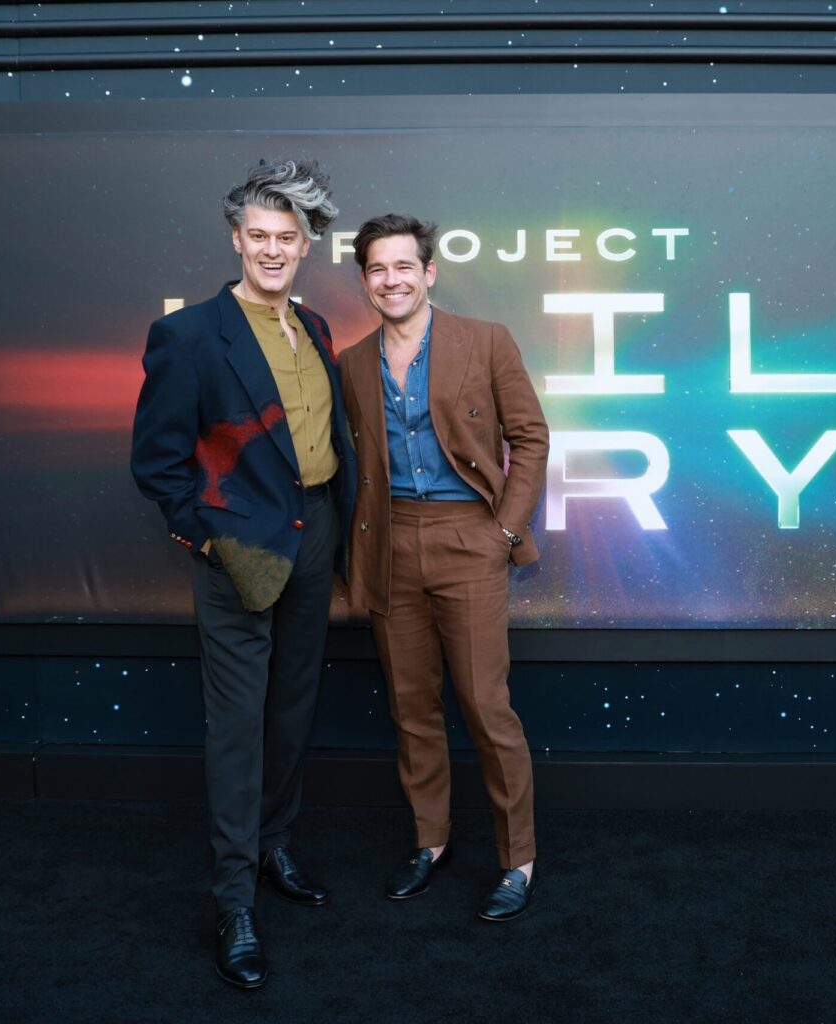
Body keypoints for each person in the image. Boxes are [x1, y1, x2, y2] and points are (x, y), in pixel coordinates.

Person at [130, 160, 356, 988]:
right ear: (236, 240)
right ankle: (234, 901)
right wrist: (206, 541)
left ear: (306, 246)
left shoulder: (316, 326)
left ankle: (273, 845)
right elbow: (157, 462)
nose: (271, 250)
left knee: (291, 710)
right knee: (236, 727)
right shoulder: (190, 335)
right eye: (257, 236)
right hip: (239, 550)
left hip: (315, 533)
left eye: (285, 238)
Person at [338, 213, 549, 922]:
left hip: (469, 538)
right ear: (365, 280)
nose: (391, 279)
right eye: (377, 269)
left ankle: (518, 860)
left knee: (486, 706)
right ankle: (430, 843)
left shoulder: (485, 340)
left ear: (428, 272)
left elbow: (531, 436)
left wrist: (503, 530)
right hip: (390, 542)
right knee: (412, 707)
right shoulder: (352, 363)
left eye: (404, 266)